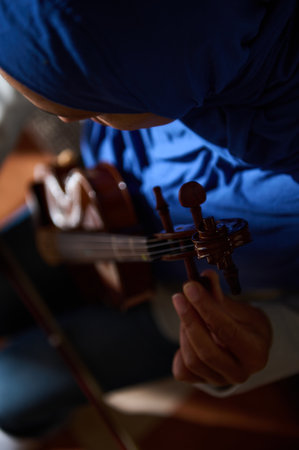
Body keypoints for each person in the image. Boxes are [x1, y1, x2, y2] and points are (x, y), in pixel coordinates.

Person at [0, 0, 298, 448]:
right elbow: (36, 37)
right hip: (92, 202)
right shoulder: (166, 47)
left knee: (12, 391)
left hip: (182, 304)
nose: (63, 121)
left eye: (95, 111)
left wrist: (270, 336)